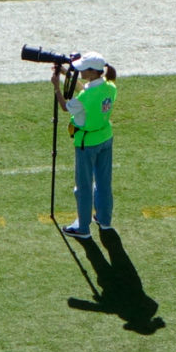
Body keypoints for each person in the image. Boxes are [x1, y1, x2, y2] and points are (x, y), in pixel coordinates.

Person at [51, 52, 117, 239]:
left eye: (83, 68)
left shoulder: (87, 96)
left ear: (93, 72)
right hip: (105, 137)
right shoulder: (110, 87)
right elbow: (86, 92)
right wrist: (66, 75)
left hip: (86, 143)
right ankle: (104, 220)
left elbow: (66, 106)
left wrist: (57, 87)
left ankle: (83, 228)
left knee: (84, 186)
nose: (79, 70)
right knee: (104, 182)